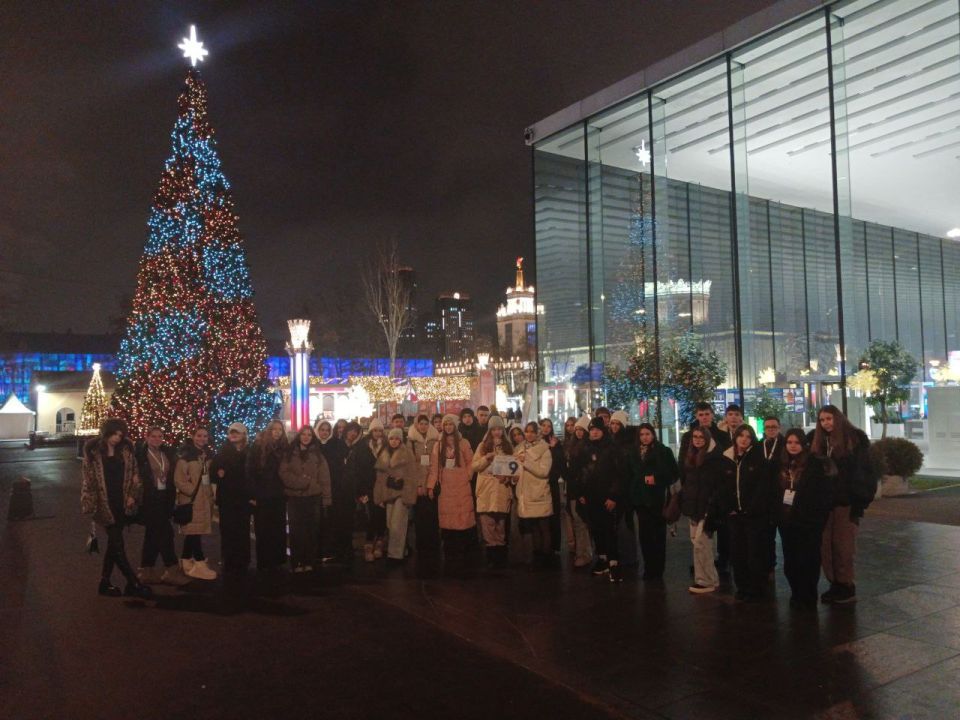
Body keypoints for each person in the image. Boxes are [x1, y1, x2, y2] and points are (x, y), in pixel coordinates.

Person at [81, 418, 152, 599]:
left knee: (114, 544)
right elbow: (88, 481)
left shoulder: (126, 450)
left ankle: (104, 583)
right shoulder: (93, 452)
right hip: (104, 503)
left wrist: (133, 495)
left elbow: (135, 475)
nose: (117, 438)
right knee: (117, 544)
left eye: (120, 435)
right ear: (106, 433)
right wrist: (89, 503)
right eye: (114, 434)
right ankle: (133, 583)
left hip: (122, 502)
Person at [811, 405, 873, 605]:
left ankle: (846, 585)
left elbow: (864, 473)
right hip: (824, 504)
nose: (825, 423)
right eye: (822, 420)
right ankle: (834, 583)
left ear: (838, 418)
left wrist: (859, 502)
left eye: (829, 419)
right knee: (826, 546)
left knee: (843, 546)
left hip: (845, 503)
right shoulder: (819, 442)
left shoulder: (854, 440)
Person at [710, 424, 776, 601]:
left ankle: (756, 588)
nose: (744, 439)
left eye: (748, 436)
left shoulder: (758, 459)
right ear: (735, 437)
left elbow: (762, 487)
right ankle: (742, 587)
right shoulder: (727, 458)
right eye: (741, 436)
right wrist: (728, 508)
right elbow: (722, 487)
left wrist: (751, 509)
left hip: (753, 515)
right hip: (734, 515)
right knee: (738, 553)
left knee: (754, 553)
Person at [778, 429, 834, 609]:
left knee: (808, 560)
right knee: (791, 560)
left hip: (808, 523)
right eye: (789, 442)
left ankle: (808, 595)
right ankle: (796, 593)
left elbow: (822, 495)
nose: (793, 446)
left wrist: (817, 519)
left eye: (796, 442)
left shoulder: (813, 465)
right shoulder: (781, 464)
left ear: (803, 444)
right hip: (787, 522)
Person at [679, 402, 733, 577]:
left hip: (715, 489)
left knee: (721, 528)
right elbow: (683, 461)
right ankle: (702, 563)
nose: (704, 417)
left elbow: (727, 460)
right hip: (696, 490)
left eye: (707, 414)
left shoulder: (722, 436)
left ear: (712, 415)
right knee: (698, 533)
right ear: (697, 416)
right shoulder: (688, 436)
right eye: (701, 414)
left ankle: (723, 560)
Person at [135, 425, 188, 586]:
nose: (157, 439)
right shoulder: (141, 455)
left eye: (160, 436)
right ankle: (171, 569)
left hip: (165, 497)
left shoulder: (167, 453)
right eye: (153, 436)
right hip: (149, 498)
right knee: (165, 533)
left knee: (152, 534)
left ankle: (146, 570)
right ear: (147, 437)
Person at [574, 417, 625, 582]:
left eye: (597, 429)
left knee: (609, 529)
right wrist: (581, 493)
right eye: (592, 430)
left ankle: (614, 562)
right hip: (591, 497)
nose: (594, 433)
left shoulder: (612, 448)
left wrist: (613, 496)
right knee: (596, 529)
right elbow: (580, 472)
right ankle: (602, 559)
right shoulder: (585, 448)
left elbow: (618, 474)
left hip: (607, 496)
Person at [626, 423, 678, 580]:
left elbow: (673, 474)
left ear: (653, 435)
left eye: (647, 434)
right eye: (642, 434)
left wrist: (656, 478)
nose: (644, 437)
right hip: (640, 500)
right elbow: (629, 474)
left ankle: (657, 569)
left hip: (657, 499)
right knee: (645, 535)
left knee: (658, 535)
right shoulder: (633, 452)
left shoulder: (663, 451)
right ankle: (649, 567)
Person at [427, 414, 475, 574]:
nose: (448, 427)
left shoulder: (463, 442)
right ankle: (450, 558)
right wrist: (431, 486)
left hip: (461, 486)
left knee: (462, 522)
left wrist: (467, 476)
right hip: (446, 487)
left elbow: (471, 462)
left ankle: (463, 559)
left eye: (450, 424)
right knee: (448, 524)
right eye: (445, 424)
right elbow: (434, 468)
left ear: (455, 425)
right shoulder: (438, 444)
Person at [281, 425, 331, 572]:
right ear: (299, 436)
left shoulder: (318, 455)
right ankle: (297, 562)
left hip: (313, 497)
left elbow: (325, 477)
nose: (306, 437)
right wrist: (300, 482)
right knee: (296, 531)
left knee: (311, 530)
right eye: (304, 434)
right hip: (295, 497)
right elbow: (283, 473)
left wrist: (326, 498)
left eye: (309, 434)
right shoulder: (289, 453)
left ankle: (309, 561)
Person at [679, 426, 723, 594]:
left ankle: (705, 581)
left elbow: (715, 485)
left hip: (706, 506)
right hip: (694, 506)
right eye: (695, 437)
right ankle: (710, 578)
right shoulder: (692, 456)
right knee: (698, 543)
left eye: (701, 437)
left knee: (701, 543)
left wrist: (711, 505)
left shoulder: (713, 459)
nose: (697, 440)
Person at [174, 425, 217, 581]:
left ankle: (185, 560)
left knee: (194, 532)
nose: (202, 439)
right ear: (193, 437)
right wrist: (192, 491)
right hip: (192, 500)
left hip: (204, 499)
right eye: (199, 435)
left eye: (205, 436)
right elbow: (179, 479)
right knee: (194, 532)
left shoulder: (207, 455)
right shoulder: (186, 456)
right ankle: (199, 562)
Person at [472, 415, 515, 569]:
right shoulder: (482, 446)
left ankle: (501, 557)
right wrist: (486, 458)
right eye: (494, 429)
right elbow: (474, 466)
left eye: (499, 429)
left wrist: (507, 478)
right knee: (487, 525)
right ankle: (491, 557)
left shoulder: (508, 447)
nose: (497, 432)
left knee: (500, 526)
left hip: (502, 489)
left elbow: (514, 468)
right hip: (486, 490)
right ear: (489, 431)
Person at [211, 422, 253, 577]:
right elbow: (213, 473)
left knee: (243, 530)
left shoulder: (250, 452)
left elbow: (253, 474)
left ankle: (243, 560)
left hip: (243, 499)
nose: (234, 435)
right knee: (228, 530)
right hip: (227, 498)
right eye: (231, 432)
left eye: (237, 432)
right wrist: (218, 474)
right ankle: (229, 560)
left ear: (244, 435)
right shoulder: (222, 452)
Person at [246, 420, 289, 572]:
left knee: (278, 528)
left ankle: (277, 560)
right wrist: (253, 494)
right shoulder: (258, 447)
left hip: (279, 495)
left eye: (280, 429)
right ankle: (264, 561)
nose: (277, 432)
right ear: (269, 430)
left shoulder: (285, 448)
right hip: (262, 495)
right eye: (274, 429)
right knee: (263, 529)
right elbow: (250, 471)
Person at [374, 427, 418, 564]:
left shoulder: (407, 453)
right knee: (390, 524)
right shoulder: (384, 453)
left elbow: (412, 475)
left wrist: (408, 495)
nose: (394, 441)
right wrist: (379, 496)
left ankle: (395, 555)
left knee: (397, 525)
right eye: (391, 438)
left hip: (401, 493)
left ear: (401, 440)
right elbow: (380, 478)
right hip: (388, 493)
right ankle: (402, 549)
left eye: (397, 439)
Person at [516, 421, 555, 567]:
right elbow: (517, 469)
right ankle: (537, 556)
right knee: (533, 528)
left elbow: (544, 471)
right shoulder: (521, 449)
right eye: (527, 431)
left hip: (539, 493)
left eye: (532, 431)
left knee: (544, 527)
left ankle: (546, 558)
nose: (529, 434)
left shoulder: (544, 449)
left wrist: (526, 462)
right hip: (525, 493)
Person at [349, 418, 386, 562]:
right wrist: (360, 491)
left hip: (383, 486)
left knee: (381, 515)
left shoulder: (386, 446)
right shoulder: (362, 446)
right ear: (371, 431)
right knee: (371, 515)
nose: (377, 433)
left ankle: (380, 542)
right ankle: (369, 543)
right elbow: (358, 469)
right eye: (375, 430)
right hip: (368, 486)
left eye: (380, 431)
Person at [407, 414, 441, 569]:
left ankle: (433, 544)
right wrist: (418, 485)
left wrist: (432, 484)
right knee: (420, 516)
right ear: (416, 425)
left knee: (433, 516)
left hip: (432, 484)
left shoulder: (435, 440)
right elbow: (411, 466)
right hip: (419, 486)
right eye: (420, 423)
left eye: (425, 423)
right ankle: (421, 545)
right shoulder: (411, 442)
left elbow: (437, 464)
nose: (423, 426)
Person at [316, 419, 349, 564]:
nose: (324, 432)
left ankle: (330, 549)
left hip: (333, 487)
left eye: (327, 430)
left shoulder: (335, 444)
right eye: (322, 430)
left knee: (331, 520)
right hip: (315, 487)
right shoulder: (313, 444)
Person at [564, 415, 594, 568]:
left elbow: (586, 472)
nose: (579, 432)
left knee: (581, 522)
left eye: (582, 430)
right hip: (573, 489)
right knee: (577, 522)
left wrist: (582, 492)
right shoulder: (573, 446)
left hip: (581, 490)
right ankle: (581, 551)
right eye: (577, 429)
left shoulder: (587, 448)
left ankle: (584, 554)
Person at [760, 416, 784, 573]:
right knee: (766, 535)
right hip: (764, 499)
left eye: (774, 427)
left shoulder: (786, 445)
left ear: (779, 428)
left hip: (782, 498)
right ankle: (769, 565)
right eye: (768, 427)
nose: (771, 429)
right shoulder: (759, 445)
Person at [539, 418, 565, 557]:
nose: (546, 428)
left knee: (554, 513)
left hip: (552, 482)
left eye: (548, 426)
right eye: (543, 425)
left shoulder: (556, 443)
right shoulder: (537, 441)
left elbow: (559, 462)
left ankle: (554, 546)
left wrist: (553, 448)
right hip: (539, 482)